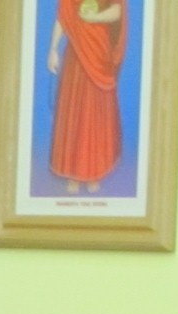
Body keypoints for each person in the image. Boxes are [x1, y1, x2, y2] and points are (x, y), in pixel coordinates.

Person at [48, 2, 127, 193]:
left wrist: (94, 18)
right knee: (74, 112)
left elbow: (117, 12)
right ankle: (74, 173)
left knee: (96, 115)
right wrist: (53, 49)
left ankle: (95, 173)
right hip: (76, 56)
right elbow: (63, 17)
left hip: (99, 54)